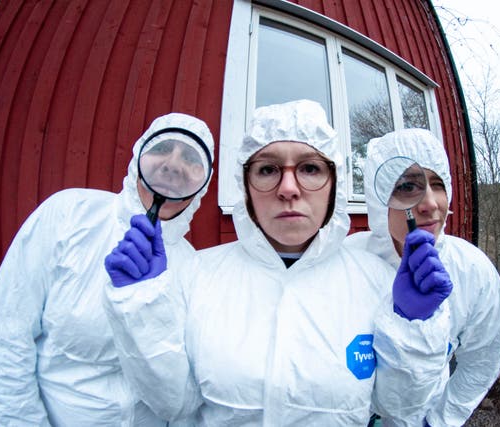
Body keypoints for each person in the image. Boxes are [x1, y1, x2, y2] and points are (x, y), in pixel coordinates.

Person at [102, 99, 454, 426]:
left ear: (335, 185)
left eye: (311, 168)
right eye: (268, 169)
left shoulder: (376, 282)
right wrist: (140, 309)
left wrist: (415, 329)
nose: (288, 188)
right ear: (246, 187)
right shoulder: (198, 275)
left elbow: (399, 409)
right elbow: (173, 404)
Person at [0, 113, 214, 426]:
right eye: (162, 149)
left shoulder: (192, 268)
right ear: (138, 158)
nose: (172, 164)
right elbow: (7, 338)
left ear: (202, 184)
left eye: (189, 157)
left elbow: (180, 400)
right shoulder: (69, 214)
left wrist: (141, 306)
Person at [346, 128, 500, 426]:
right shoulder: (347, 264)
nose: (431, 203)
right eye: (408, 186)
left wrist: (439, 421)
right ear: (377, 197)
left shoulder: (472, 271)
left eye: (438, 184)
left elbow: (482, 360)